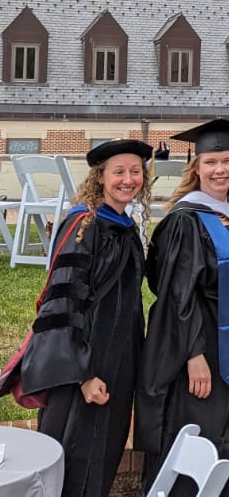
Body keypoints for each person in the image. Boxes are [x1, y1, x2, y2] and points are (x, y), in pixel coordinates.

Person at [135, 119, 229, 496]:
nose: (220, 169)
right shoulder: (185, 221)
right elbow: (176, 294)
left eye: (227, 161)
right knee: (202, 430)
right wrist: (194, 354)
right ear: (197, 168)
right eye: (211, 162)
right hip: (203, 345)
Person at [20, 139, 152, 497]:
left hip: (119, 362)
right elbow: (61, 304)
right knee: (72, 459)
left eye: (135, 171)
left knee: (104, 457)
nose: (128, 179)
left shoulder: (125, 227)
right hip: (83, 366)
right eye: (119, 172)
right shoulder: (85, 225)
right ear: (101, 177)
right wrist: (83, 374)